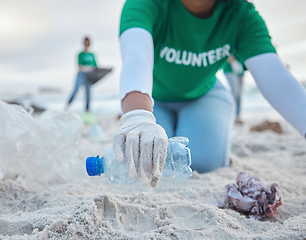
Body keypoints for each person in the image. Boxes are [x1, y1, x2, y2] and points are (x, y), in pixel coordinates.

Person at [113, 0, 306, 187]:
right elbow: (135, 55)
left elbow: (275, 76)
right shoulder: (144, 3)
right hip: (153, 101)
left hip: (204, 96)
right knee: (148, 159)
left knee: (200, 161)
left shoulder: (240, 13)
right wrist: (138, 116)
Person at [65, 36, 97, 112]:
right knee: (76, 90)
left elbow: (95, 66)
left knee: (88, 92)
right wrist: (88, 68)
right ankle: (67, 106)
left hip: (89, 76)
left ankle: (87, 110)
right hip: (81, 74)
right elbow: (79, 66)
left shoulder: (92, 55)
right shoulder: (80, 54)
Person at [223, 54, 246, 124]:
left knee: (239, 94)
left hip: (241, 68)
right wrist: (233, 62)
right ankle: (231, 116)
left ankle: (238, 116)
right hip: (229, 69)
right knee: (234, 93)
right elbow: (227, 50)